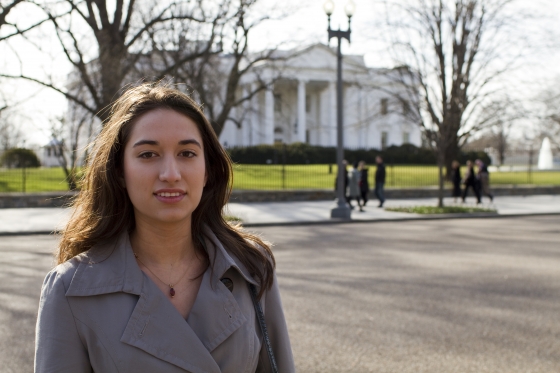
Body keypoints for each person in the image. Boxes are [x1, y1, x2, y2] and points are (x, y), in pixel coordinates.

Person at [35, 83, 295, 373]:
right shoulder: (70, 290)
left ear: (208, 169)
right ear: (119, 171)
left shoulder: (251, 266)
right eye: (148, 154)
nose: (171, 174)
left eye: (187, 153)